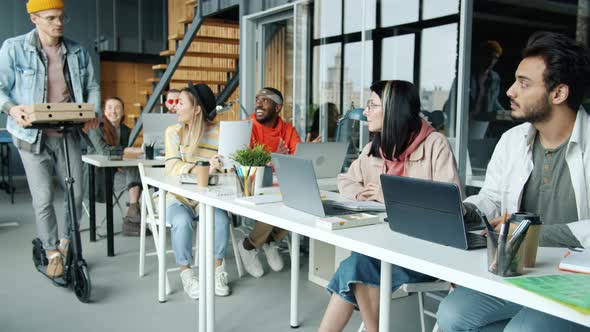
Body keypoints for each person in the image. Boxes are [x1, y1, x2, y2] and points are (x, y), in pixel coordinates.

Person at [437, 31, 590, 332]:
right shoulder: (512, 140)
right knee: (452, 313)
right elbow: (493, 199)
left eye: (523, 83)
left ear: (558, 93)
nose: (510, 91)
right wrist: (464, 209)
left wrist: (536, 234)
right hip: (520, 269)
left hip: (577, 278)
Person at [318, 80, 461, 332]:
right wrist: (360, 194)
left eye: (372, 105)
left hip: (426, 253)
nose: (365, 112)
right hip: (383, 246)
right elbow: (346, 180)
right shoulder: (375, 146)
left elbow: (450, 206)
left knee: (354, 267)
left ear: (394, 110)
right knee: (356, 263)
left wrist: (390, 198)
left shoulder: (436, 144)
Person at [0, 0, 100, 278]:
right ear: (34, 19)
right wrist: (11, 108)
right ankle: (51, 250)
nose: (59, 23)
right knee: (43, 198)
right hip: (31, 136)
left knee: (75, 193)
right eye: (51, 18)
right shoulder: (14, 48)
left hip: (67, 132)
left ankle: (66, 243)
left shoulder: (77, 51)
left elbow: (92, 86)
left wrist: (94, 112)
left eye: (62, 17)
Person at [164, 83, 231, 299]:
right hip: (179, 197)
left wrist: (222, 165)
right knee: (182, 222)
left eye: (181, 103)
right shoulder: (173, 132)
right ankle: (186, 275)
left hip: (208, 198)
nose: (176, 107)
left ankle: (217, 271)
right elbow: (173, 167)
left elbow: (230, 168)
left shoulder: (220, 133)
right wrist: (202, 167)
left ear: (196, 109)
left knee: (221, 221)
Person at [237, 87, 302, 278]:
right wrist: (273, 160)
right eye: (257, 99)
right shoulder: (246, 127)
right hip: (252, 184)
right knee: (274, 205)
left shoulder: (287, 129)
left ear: (278, 107)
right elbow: (243, 163)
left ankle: (268, 242)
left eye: (265, 101)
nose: (258, 103)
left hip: (280, 184)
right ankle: (248, 246)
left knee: (299, 202)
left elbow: (297, 157)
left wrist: (307, 152)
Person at [88, 97, 144, 236]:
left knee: (137, 168)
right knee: (135, 172)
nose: (113, 111)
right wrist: (126, 150)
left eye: (117, 108)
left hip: (118, 174)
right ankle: (132, 217)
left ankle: (132, 210)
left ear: (123, 111)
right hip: (99, 175)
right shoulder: (96, 128)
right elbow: (104, 151)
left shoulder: (125, 130)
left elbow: (123, 156)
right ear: (104, 111)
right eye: (109, 108)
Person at [443, 40, 504, 138]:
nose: (491, 61)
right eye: (489, 56)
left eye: (495, 58)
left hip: (481, 123)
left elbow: (494, 102)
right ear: (482, 55)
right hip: (462, 121)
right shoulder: (466, 76)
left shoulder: (494, 78)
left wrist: (506, 114)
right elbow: (452, 103)